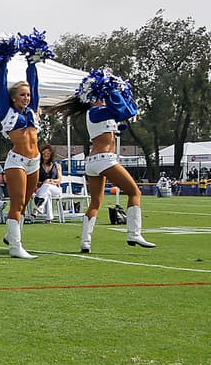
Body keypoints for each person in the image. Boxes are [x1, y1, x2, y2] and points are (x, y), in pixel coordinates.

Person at [46, 68, 155, 251]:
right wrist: (112, 88)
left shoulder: (100, 112)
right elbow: (123, 111)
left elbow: (128, 109)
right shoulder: (94, 112)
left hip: (94, 162)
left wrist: (117, 89)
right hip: (104, 160)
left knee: (96, 202)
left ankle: (85, 242)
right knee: (135, 192)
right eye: (101, 95)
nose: (103, 98)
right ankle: (134, 234)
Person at [0, 31, 50, 259]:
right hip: (17, 163)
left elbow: (34, 82)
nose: (26, 97)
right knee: (17, 202)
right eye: (22, 95)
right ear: (14, 97)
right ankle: (15, 247)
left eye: (28, 95)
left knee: (26, 201)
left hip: (34, 162)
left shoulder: (32, 111)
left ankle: (11, 235)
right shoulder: (7, 111)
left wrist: (32, 60)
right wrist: (2, 61)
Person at [31, 145, 62, 223]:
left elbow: (59, 180)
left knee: (47, 187)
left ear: (51, 154)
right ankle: (48, 218)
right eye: (44, 153)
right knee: (47, 193)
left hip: (55, 189)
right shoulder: (37, 166)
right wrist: (44, 182)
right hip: (41, 189)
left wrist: (51, 181)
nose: (46, 155)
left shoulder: (57, 165)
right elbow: (35, 181)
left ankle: (38, 208)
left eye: (48, 153)